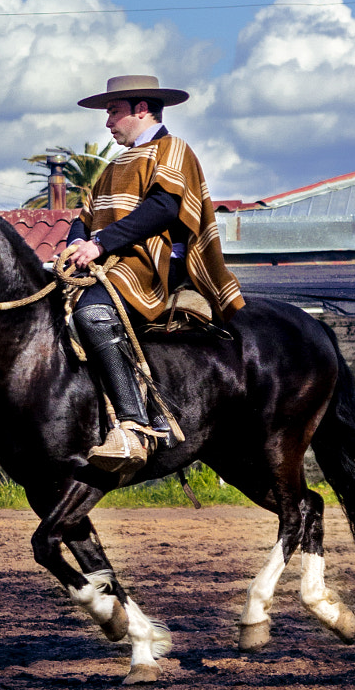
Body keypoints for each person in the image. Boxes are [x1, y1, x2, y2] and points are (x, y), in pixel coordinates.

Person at [59, 74, 244, 467]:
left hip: (156, 264)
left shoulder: (173, 149)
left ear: (142, 110)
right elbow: (85, 215)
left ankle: (135, 427)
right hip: (112, 261)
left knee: (91, 314)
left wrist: (100, 244)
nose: (108, 122)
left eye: (113, 112)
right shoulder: (114, 165)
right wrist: (77, 241)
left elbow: (163, 209)